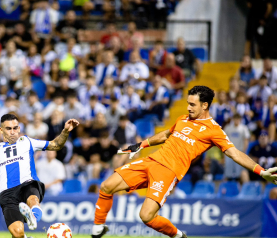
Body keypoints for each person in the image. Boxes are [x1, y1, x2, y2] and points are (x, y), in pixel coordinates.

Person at [91, 85, 277, 238]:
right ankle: (98, 230)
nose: (188, 107)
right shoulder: (183, 119)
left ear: (205, 105)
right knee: (107, 186)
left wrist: (261, 171)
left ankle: (178, 236)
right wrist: (140, 145)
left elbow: (235, 153)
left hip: (168, 171)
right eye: (188, 103)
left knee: (146, 216)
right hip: (152, 160)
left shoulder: (214, 130)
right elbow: (166, 134)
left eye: (192, 104)